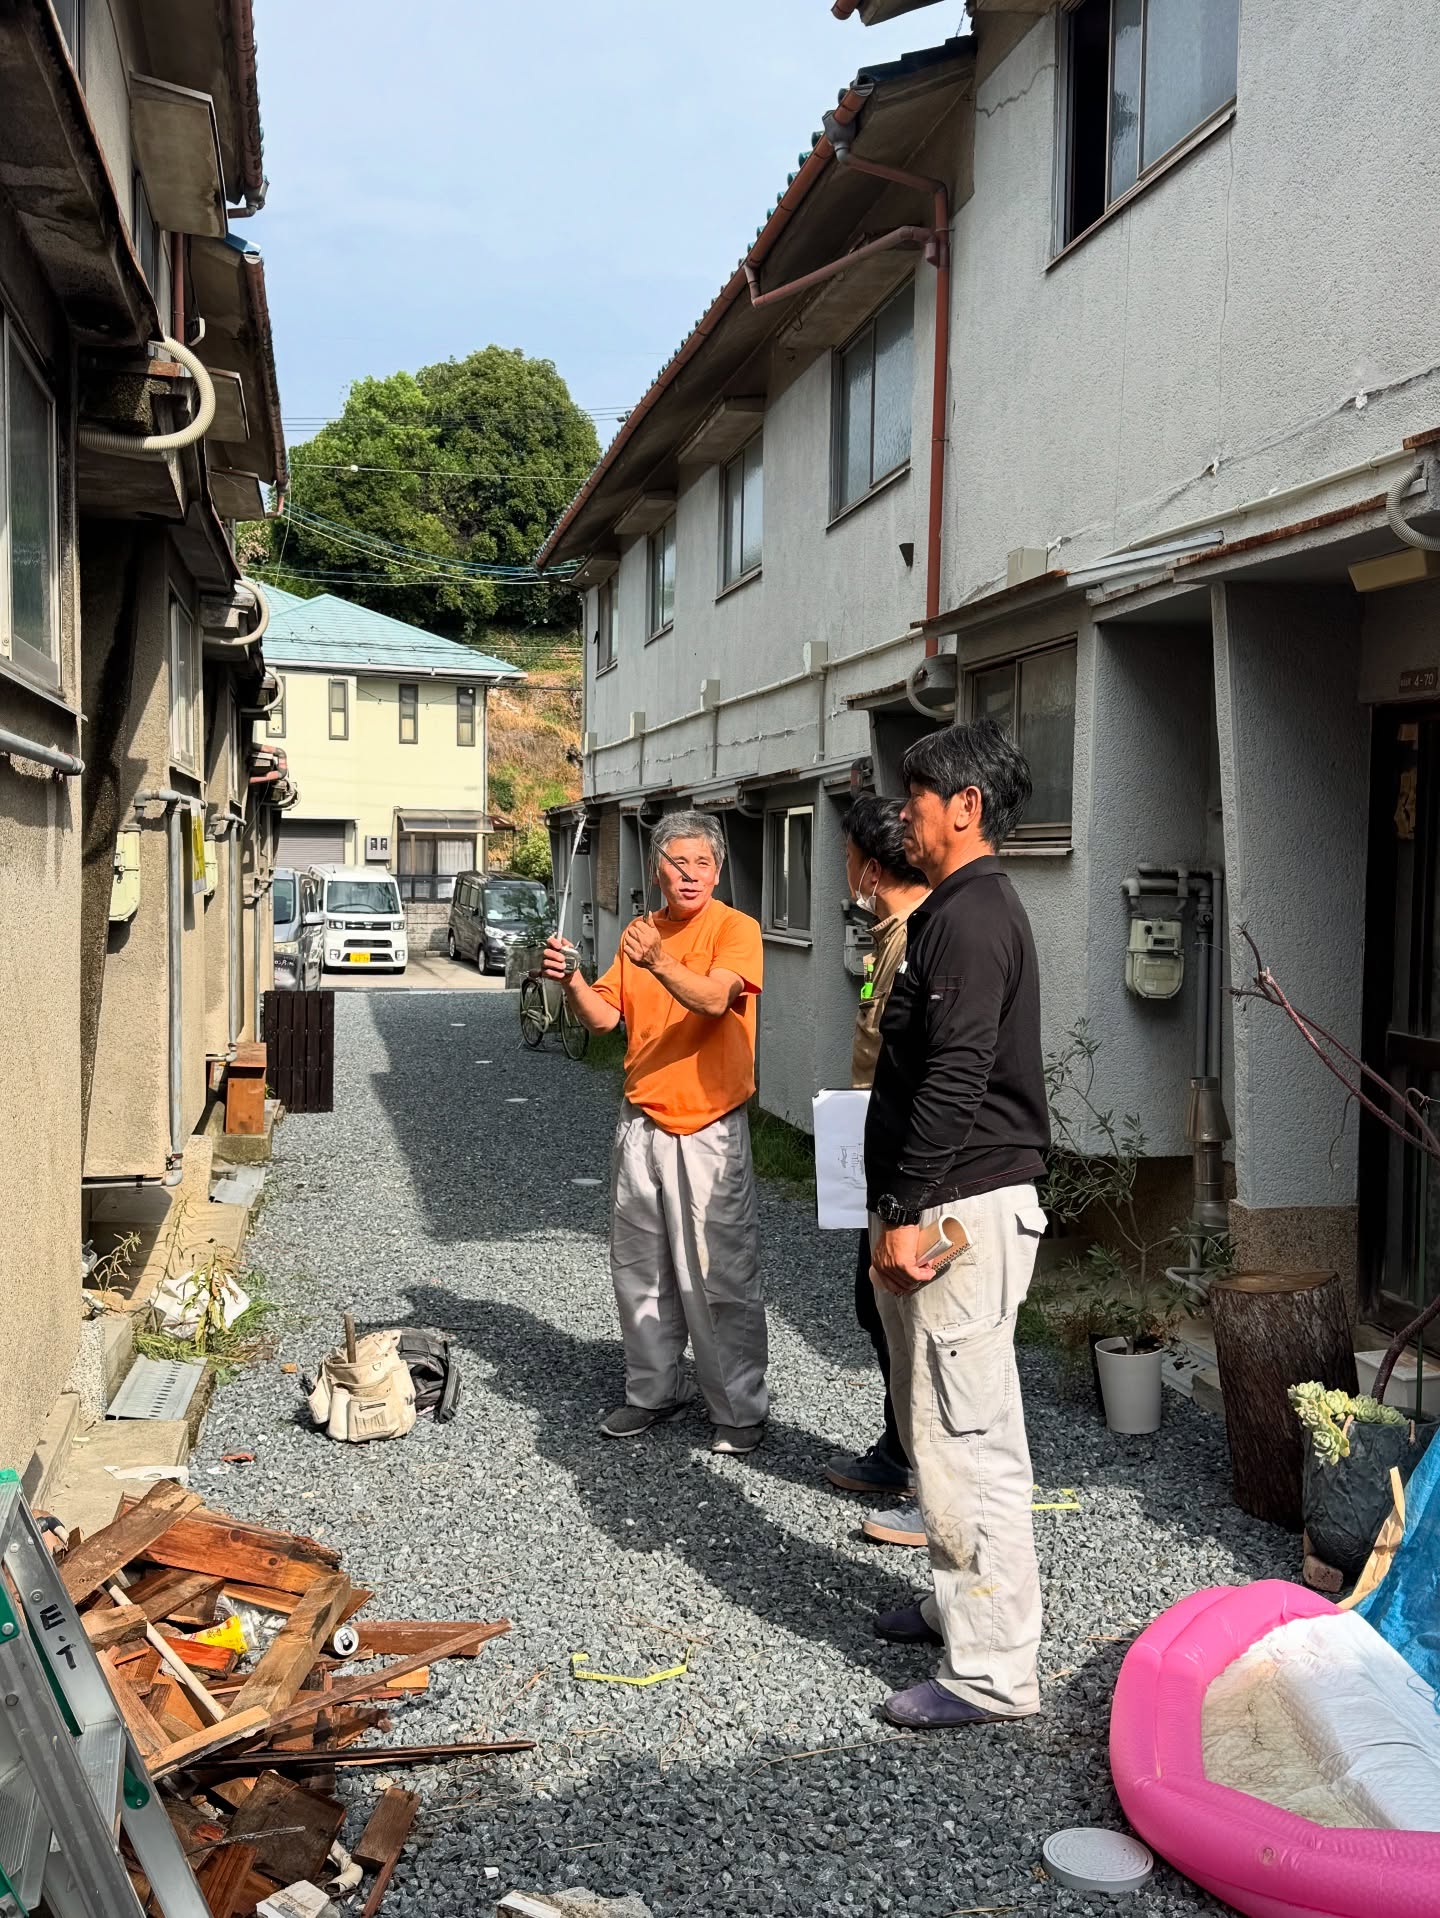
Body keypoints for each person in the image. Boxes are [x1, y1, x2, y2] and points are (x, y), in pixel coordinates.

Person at [864, 719, 1051, 1731]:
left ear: (965, 805)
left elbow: (957, 1072)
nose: (905, 813)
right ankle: (953, 1605)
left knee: (970, 1438)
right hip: (947, 1201)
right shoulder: (954, 909)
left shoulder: (973, 919)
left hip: (959, 1208)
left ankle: (994, 1672)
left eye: (918, 795)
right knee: (934, 1426)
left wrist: (904, 1207)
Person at [542, 810, 769, 1456]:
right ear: (656, 870)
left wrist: (661, 961)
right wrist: (574, 979)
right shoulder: (639, 935)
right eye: (678, 862)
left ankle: (740, 1408)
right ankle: (652, 1391)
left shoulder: (735, 929)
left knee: (718, 1272)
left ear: (718, 871)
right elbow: (601, 1020)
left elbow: (713, 998)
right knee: (639, 1269)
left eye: (702, 863)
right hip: (640, 1123)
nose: (691, 874)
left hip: (710, 1129)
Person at [823, 797, 930, 1552]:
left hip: (908, 1166)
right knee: (874, 1308)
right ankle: (899, 1453)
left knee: (913, 1325)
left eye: (845, 852)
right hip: (873, 1143)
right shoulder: (887, 936)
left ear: (866, 862)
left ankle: (930, 1484)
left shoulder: (921, 936)